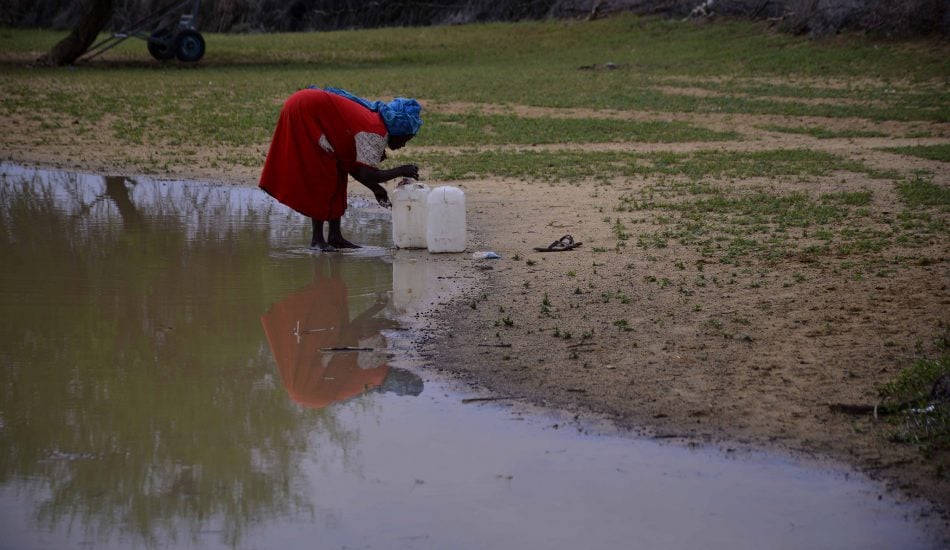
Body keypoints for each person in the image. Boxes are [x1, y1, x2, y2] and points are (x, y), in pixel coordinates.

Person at [260, 86, 422, 251]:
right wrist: (401, 170)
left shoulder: (375, 124)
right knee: (323, 172)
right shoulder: (375, 131)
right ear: (399, 130)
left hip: (305, 104)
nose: (403, 145)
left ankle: (335, 236)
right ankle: (317, 240)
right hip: (304, 111)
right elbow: (367, 173)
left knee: (337, 167)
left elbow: (351, 164)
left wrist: (376, 189)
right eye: (406, 138)